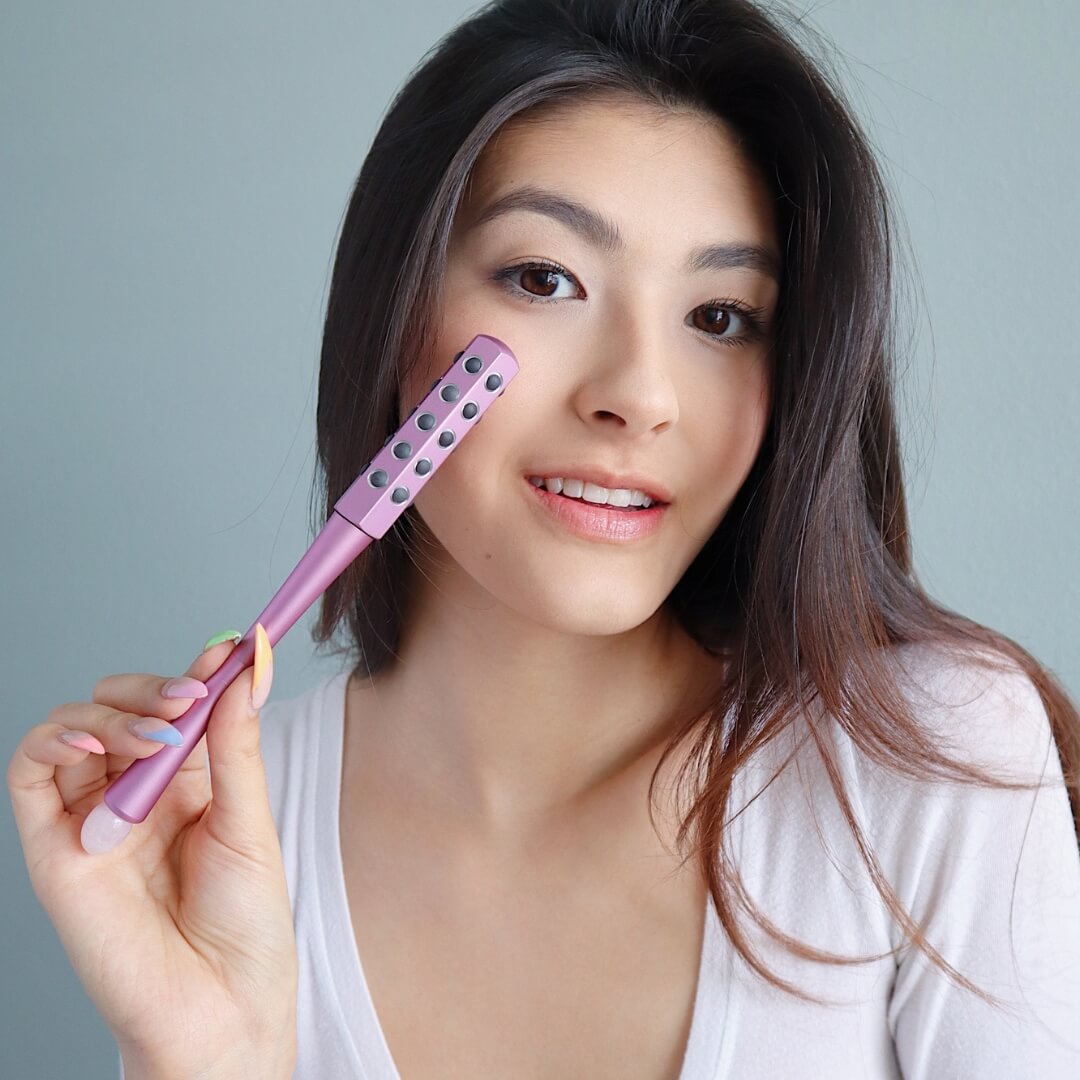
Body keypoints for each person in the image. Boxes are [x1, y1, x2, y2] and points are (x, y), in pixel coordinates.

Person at [8, 0, 1080, 1076]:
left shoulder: (929, 768)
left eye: (720, 317)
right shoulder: (222, 829)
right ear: (391, 306)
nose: (641, 396)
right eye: (544, 279)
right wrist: (201, 1058)